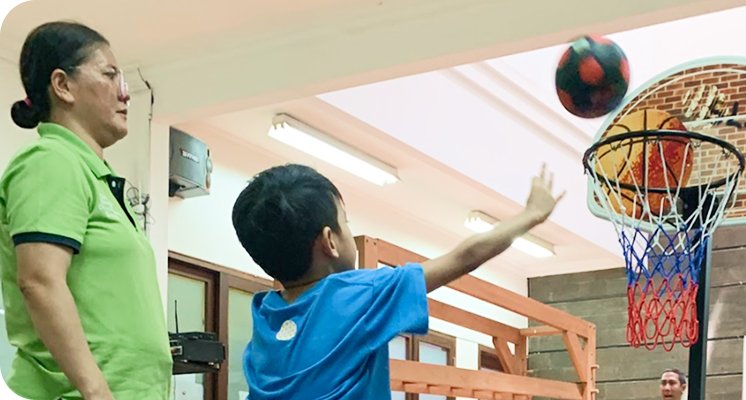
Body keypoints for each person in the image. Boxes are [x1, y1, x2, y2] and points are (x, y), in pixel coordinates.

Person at [230, 163, 564, 399]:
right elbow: (465, 256)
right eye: (346, 223)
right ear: (330, 241)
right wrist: (530, 215)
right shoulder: (358, 295)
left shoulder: (266, 314)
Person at [0, 21, 172, 399]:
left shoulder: (94, 176)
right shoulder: (51, 160)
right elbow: (40, 281)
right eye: (109, 75)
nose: (124, 93)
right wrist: (96, 391)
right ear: (62, 85)